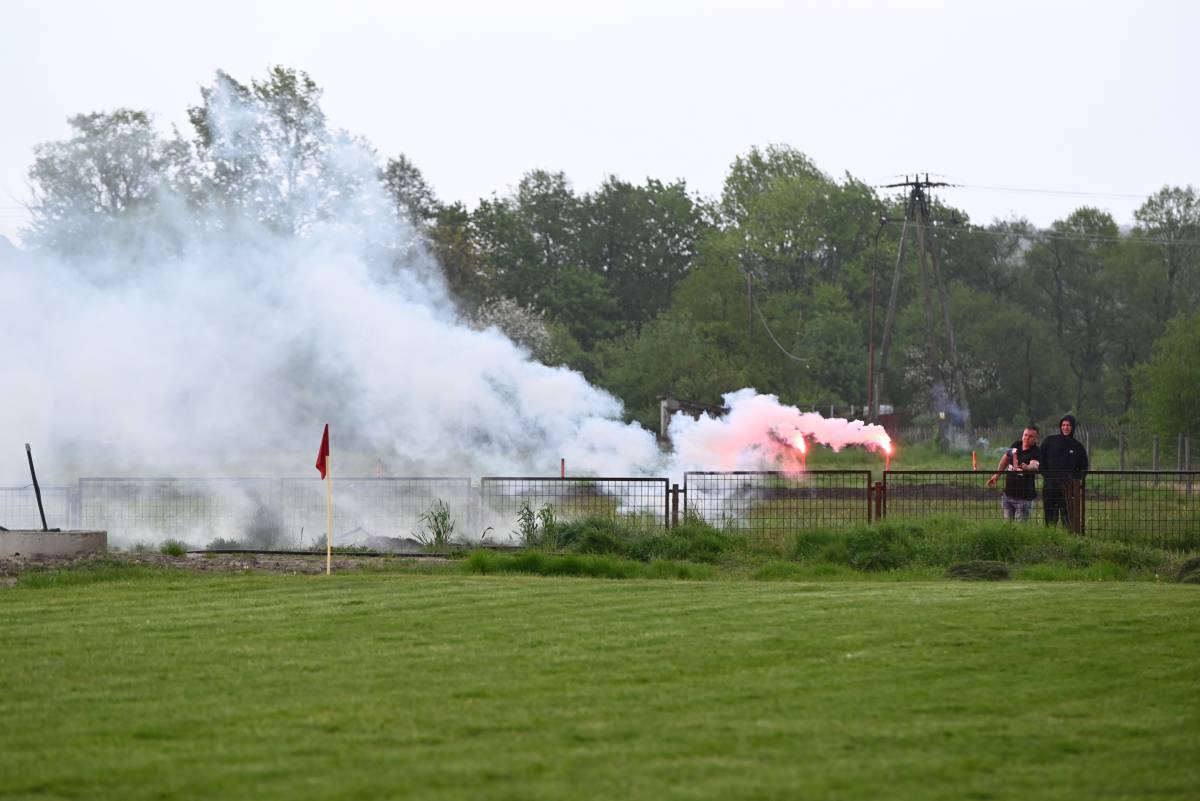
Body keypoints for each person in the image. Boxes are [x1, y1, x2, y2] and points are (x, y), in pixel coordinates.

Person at [1039, 414, 1089, 528]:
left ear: (1073, 427)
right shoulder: (1049, 441)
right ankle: (1049, 536)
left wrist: (1075, 482)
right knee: (1050, 518)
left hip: (1068, 489)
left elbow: (1083, 467)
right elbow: (1041, 461)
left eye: (1068, 425)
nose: (1065, 427)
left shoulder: (1078, 447)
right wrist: (1047, 477)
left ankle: (1068, 536)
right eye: (1063, 425)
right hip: (1050, 487)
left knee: (1068, 518)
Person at [986, 426, 1041, 520]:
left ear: (1036, 439)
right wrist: (996, 475)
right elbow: (1005, 459)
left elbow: (1035, 465)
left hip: (1024, 498)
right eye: (1025, 435)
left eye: (1030, 436)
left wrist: (1027, 467)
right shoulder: (1016, 445)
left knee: (1020, 526)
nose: (1027, 438)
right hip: (1008, 495)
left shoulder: (1036, 451)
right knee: (1007, 525)